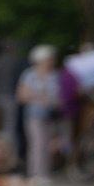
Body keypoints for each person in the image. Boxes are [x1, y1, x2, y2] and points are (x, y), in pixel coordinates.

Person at [17, 45, 60, 179]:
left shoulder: (54, 75)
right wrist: (41, 97)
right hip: (34, 115)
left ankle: (45, 173)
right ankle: (35, 175)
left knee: (48, 145)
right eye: (49, 59)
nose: (51, 61)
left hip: (51, 115)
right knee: (37, 144)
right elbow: (21, 96)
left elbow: (59, 96)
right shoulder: (29, 75)